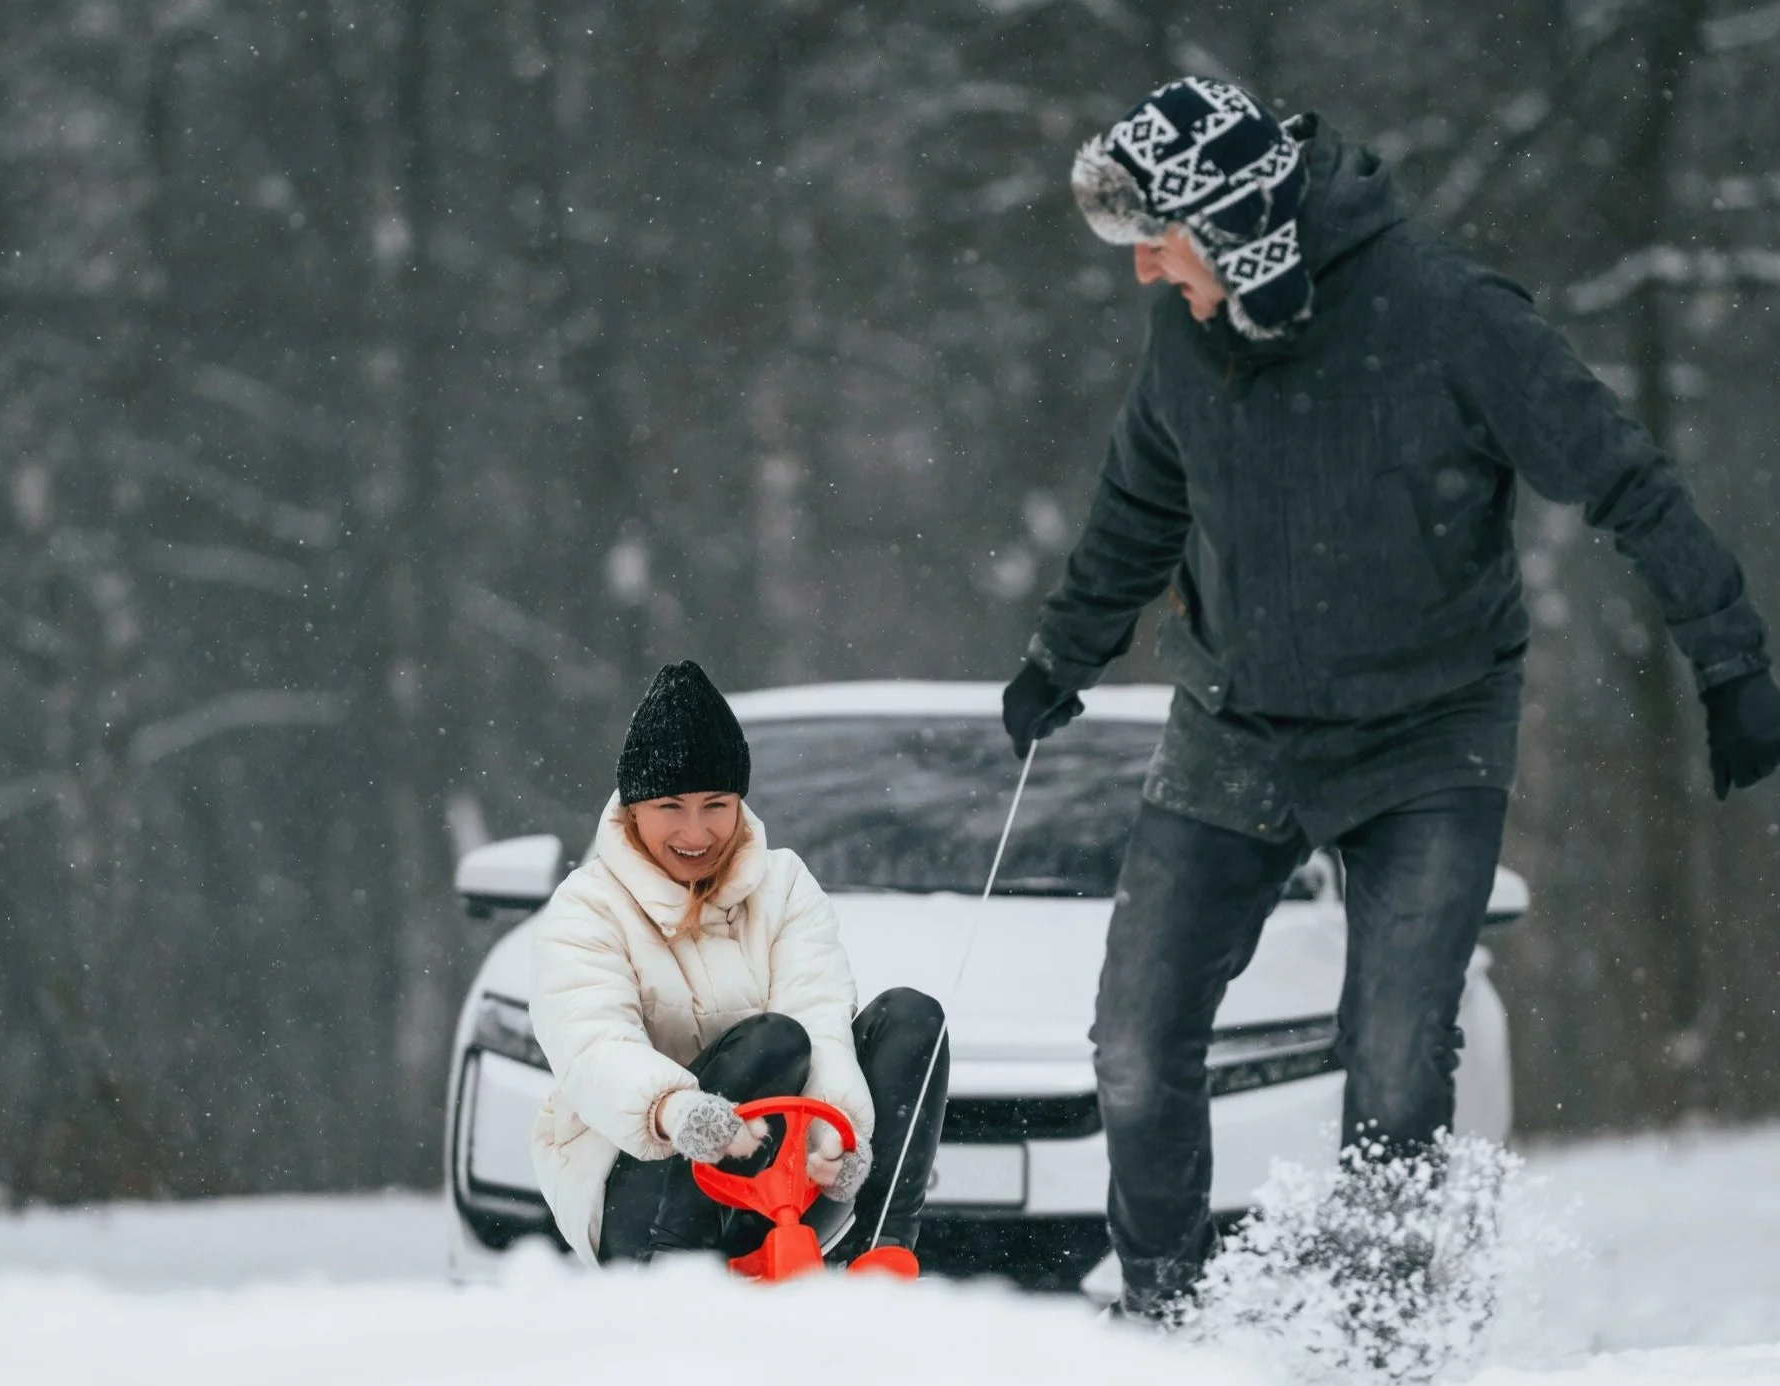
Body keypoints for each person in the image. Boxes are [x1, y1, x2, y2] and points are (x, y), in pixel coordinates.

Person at [1001, 76, 1780, 1320]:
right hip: (1239, 724)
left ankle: (1377, 1330)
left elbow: (1621, 473)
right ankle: (1165, 1314)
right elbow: (1143, 505)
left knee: (1399, 1064)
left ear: (1243, 229)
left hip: (1429, 732)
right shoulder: (1188, 336)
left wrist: (1729, 657)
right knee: (1137, 1053)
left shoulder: (1449, 315)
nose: (1148, 274)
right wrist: (1063, 656)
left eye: (1164, 242)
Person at [529, 659, 950, 1269]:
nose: (695, 832)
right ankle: (670, 1273)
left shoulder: (783, 885)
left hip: (783, 1184)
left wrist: (834, 1134)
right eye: (671, 806)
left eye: (715, 804)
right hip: (645, 1191)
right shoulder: (587, 907)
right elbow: (592, 1045)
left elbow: (820, 1011)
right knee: (772, 1042)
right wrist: (680, 1112)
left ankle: (880, 1254)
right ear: (632, 810)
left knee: (912, 1020)